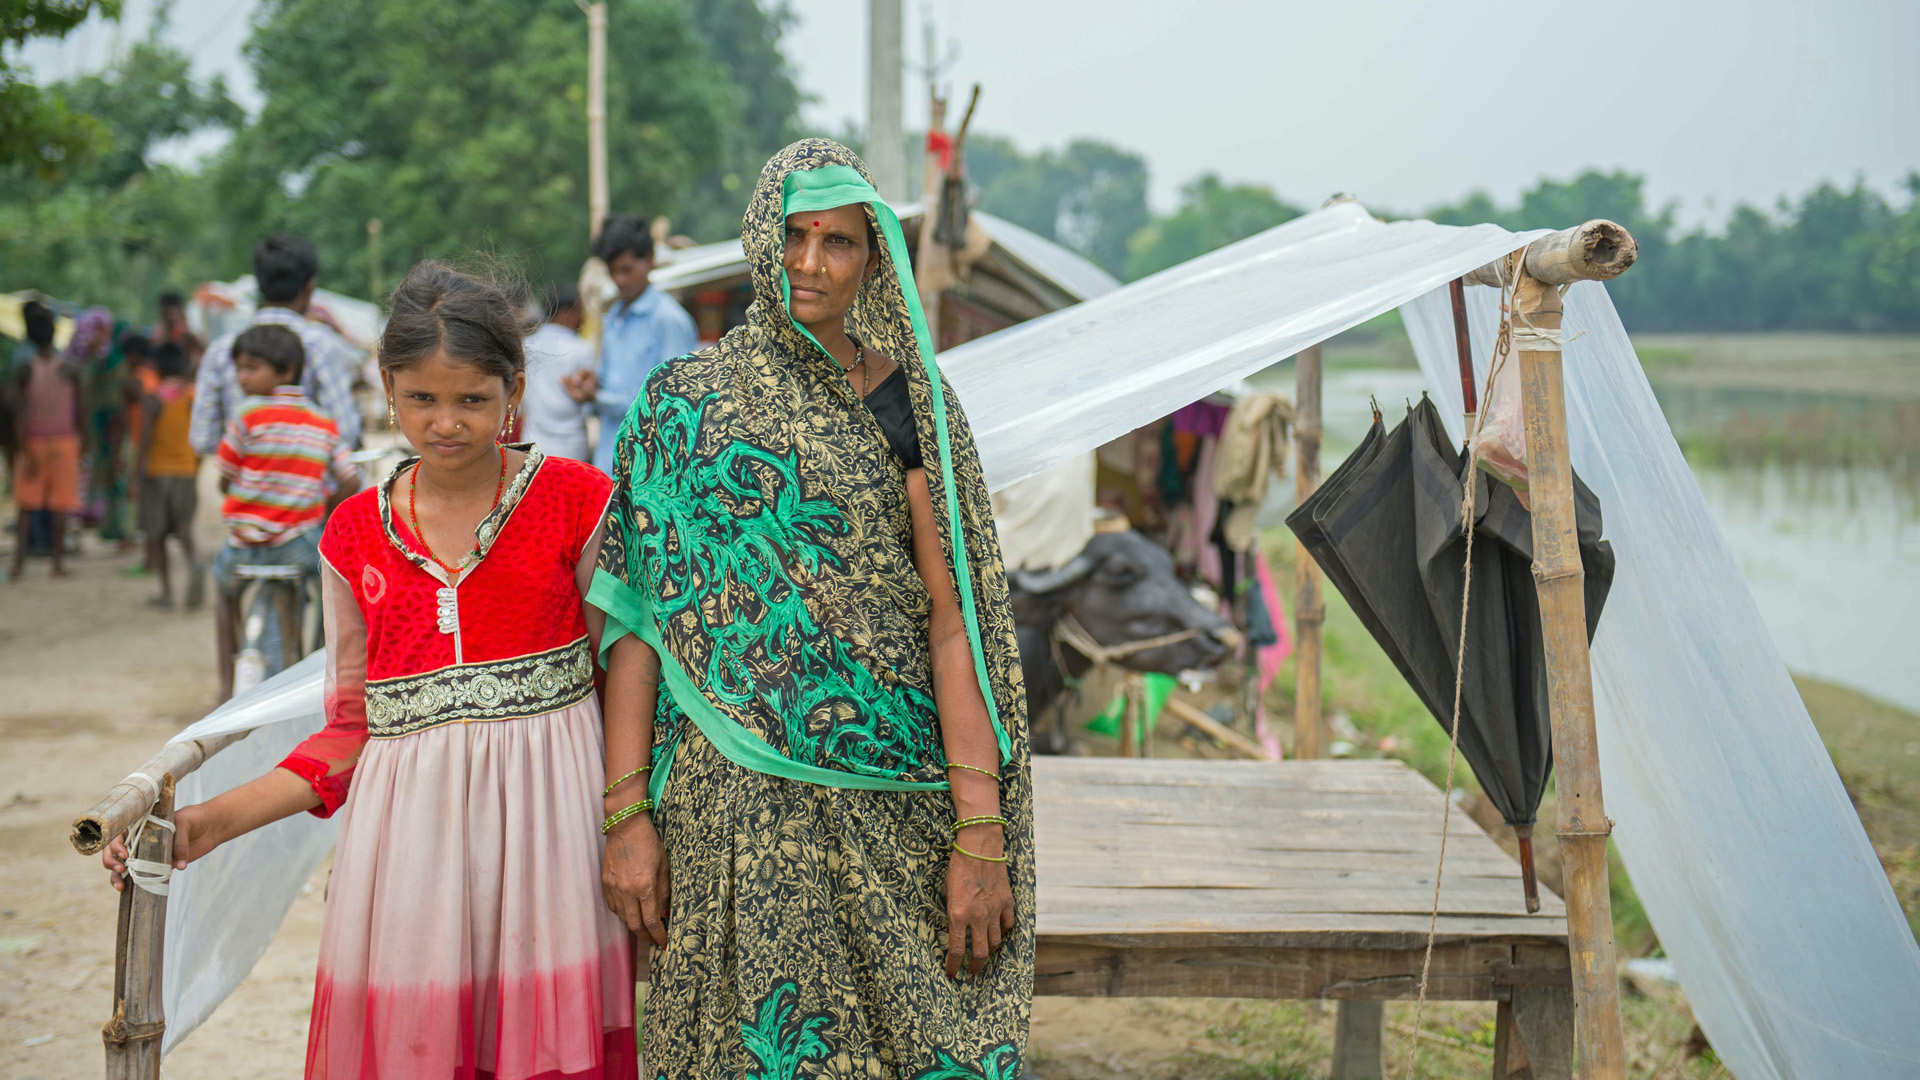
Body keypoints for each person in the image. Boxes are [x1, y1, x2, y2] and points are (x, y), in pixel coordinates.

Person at [107, 262, 636, 1080]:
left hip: (552, 837)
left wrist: (627, 818)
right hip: (409, 846)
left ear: (515, 391)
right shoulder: (353, 535)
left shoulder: (579, 501)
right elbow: (352, 724)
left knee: (546, 1045)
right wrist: (208, 824)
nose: (447, 422)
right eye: (422, 398)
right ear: (388, 388)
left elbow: (624, 676)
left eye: (471, 399)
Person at [587, 139, 1035, 1076]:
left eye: (838, 242)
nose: (809, 264)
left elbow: (953, 625)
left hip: (894, 808)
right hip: (730, 812)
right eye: (792, 235)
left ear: (876, 258)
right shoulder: (684, 405)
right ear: (760, 238)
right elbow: (637, 623)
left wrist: (980, 829)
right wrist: (626, 815)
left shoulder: (916, 403)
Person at [209, 324, 358, 701]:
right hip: (298, 542)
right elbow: (349, 479)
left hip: (243, 545)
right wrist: (322, 506)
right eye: (240, 368)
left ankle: (226, 683)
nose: (242, 378)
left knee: (224, 590)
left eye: (251, 368)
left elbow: (224, 478)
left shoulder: (246, 416)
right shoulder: (322, 421)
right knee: (331, 590)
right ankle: (322, 669)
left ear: (285, 370)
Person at [191, 234, 364, 458]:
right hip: (309, 487)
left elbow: (202, 440)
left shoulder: (220, 350)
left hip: (243, 489)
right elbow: (346, 434)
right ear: (308, 289)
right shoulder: (322, 346)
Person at [573, 213, 697, 474]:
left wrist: (598, 396)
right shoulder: (614, 316)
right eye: (612, 271)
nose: (619, 279)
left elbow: (671, 407)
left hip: (651, 470)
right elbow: (609, 382)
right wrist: (591, 383)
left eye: (626, 269)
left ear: (649, 260)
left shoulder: (669, 320)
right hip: (609, 462)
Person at [8, 301, 86, 580]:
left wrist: (20, 449)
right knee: (59, 506)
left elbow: (19, 414)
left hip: (33, 442)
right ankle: (57, 564)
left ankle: (18, 565)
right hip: (64, 442)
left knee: (26, 506)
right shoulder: (70, 368)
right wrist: (83, 442)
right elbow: (81, 410)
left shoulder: (24, 370)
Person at [136, 342, 202, 608]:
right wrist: (195, 464)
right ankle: (196, 563)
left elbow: (145, 440)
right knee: (185, 531)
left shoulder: (154, 399)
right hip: (186, 471)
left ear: (158, 368)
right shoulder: (191, 396)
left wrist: (135, 474)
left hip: (157, 473)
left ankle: (166, 593)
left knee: (158, 534)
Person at [520, 283, 595, 461]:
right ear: (568, 313)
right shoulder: (582, 349)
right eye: (580, 312)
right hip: (572, 445)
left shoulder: (526, 346)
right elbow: (589, 403)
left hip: (532, 442)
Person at [154, 289, 206, 368]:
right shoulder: (158, 332)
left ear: (181, 311)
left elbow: (206, 352)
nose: (169, 317)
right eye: (166, 313)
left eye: (171, 313)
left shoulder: (191, 330)